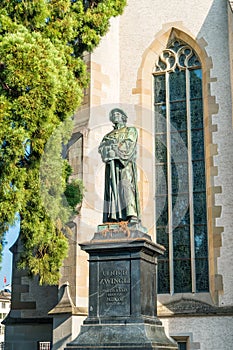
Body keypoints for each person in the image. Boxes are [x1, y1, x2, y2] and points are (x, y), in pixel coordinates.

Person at [98, 108, 141, 223]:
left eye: (118, 114)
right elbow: (101, 148)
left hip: (124, 164)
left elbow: (129, 143)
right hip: (111, 164)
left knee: (126, 185)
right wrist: (107, 150)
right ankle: (113, 217)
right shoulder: (108, 135)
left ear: (123, 117)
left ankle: (131, 214)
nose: (115, 116)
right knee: (112, 188)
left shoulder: (130, 130)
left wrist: (115, 149)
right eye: (113, 115)